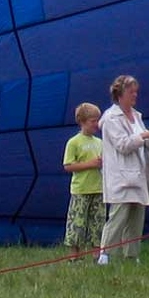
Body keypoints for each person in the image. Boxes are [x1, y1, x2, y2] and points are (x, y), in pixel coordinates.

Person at [98, 75, 149, 265]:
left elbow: (145, 145)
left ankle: (132, 255)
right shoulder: (112, 118)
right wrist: (145, 135)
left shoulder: (136, 116)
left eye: (136, 92)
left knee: (137, 216)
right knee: (119, 215)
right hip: (121, 175)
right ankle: (105, 255)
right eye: (131, 92)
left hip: (140, 173)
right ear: (120, 94)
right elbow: (123, 145)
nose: (135, 95)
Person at [61, 103, 107, 257]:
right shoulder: (74, 142)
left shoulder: (100, 142)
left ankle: (96, 256)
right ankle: (74, 256)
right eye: (93, 121)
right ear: (82, 122)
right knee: (77, 223)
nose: (96, 124)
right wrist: (90, 164)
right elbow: (68, 166)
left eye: (97, 120)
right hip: (81, 190)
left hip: (99, 189)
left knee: (97, 223)